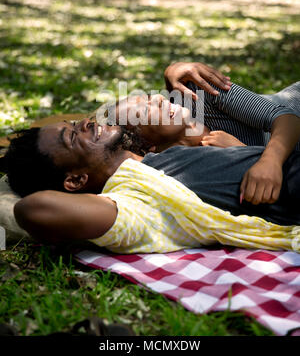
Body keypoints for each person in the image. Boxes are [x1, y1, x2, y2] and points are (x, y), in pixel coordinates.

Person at [1, 116, 300, 255]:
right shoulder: (140, 204)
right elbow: (33, 209)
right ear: (75, 180)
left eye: (75, 122)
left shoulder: (164, 156)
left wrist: (266, 157)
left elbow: (288, 117)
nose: (86, 123)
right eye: (73, 136)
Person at [110, 62, 300, 206]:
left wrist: (269, 161)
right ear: (148, 146)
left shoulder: (198, 93)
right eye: (145, 111)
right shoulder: (183, 173)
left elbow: (286, 117)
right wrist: (243, 153)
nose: (159, 99)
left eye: (149, 98)